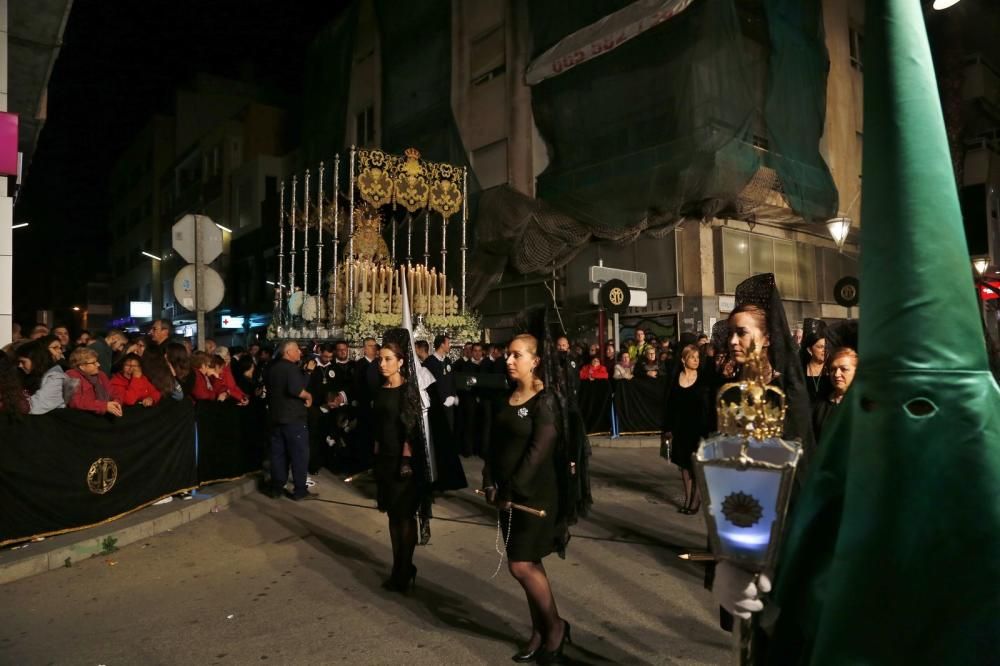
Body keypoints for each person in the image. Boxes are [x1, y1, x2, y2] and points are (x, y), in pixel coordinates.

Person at [483, 331, 572, 664]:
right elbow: (494, 446)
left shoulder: (545, 401)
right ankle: (540, 630)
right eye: (507, 354)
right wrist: (489, 480)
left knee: (521, 565)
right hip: (507, 496)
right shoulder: (506, 399)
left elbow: (538, 453)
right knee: (529, 564)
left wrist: (511, 490)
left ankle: (556, 627)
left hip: (535, 496)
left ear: (535, 361)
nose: (508, 360)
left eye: (516, 355)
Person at [372, 334, 426, 592]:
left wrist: (406, 459)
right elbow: (378, 428)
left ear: (401, 361)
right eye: (380, 359)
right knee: (393, 516)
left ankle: (406, 567)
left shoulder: (409, 391)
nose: (382, 363)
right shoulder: (381, 390)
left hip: (405, 463)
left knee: (405, 515)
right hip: (385, 460)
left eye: (388, 359)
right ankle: (398, 567)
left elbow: (412, 429)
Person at [663, 345, 712, 514]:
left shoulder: (704, 378)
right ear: (683, 359)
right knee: (684, 465)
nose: (696, 360)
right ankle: (687, 497)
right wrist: (667, 428)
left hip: (700, 428)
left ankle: (696, 500)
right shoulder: (675, 378)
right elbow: (669, 405)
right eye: (692, 357)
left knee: (696, 464)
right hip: (681, 428)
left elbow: (709, 406)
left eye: (698, 357)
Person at [266, 341, 316, 500]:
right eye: (297, 350)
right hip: (293, 418)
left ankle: (277, 488)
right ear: (288, 352)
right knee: (299, 455)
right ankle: (300, 490)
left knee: (278, 455)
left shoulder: (271, 368)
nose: (300, 353)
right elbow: (296, 389)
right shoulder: (291, 368)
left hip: (275, 417)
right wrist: (308, 393)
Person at [812, 347, 858, 440]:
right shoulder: (819, 406)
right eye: (833, 369)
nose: (836, 374)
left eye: (844, 369)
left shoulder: (864, 406)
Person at [65, 347, 123, 417]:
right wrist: (104, 406)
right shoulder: (72, 375)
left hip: (102, 416)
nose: (98, 364)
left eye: (97, 361)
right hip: (82, 418)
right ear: (82, 366)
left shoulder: (101, 375)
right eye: (94, 362)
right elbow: (75, 402)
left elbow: (114, 393)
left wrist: (116, 402)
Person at [17, 339, 70, 414]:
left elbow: (37, 405)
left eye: (23, 362)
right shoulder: (26, 376)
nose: (20, 365)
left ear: (35, 360)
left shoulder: (55, 378)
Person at [799, 319, 830, 406]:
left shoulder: (833, 370)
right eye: (820, 347)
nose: (825, 350)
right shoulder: (799, 372)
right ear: (809, 350)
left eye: (827, 346)